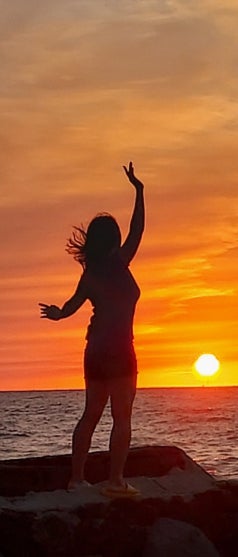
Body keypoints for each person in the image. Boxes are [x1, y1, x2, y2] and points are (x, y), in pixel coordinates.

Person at [39, 162, 145, 498]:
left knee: (92, 414)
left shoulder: (91, 274)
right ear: (112, 240)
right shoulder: (119, 262)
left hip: (96, 351)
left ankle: (77, 480)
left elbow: (70, 307)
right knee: (121, 416)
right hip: (120, 351)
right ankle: (115, 481)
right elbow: (138, 229)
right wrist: (140, 192)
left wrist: (58, 314)